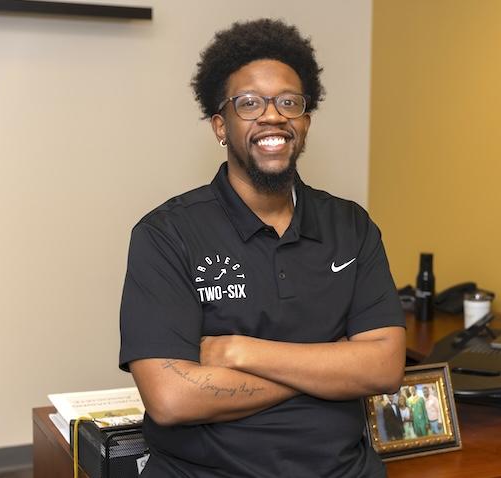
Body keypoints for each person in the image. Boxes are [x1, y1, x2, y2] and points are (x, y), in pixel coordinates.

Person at [118, 18, 406, 477]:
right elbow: (171, 399)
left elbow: (385, 369)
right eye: (248, 103)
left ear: (305, 122)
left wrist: (237, 351)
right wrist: (330, 368)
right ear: (220, 125)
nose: (273, 116)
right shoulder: (165, 234)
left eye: (289, 102)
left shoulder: (352, 226)